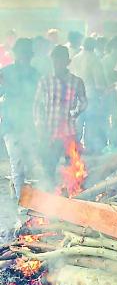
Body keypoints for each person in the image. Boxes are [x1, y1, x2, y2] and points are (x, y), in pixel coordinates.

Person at [33, 45, 87, 185]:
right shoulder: (45, 81)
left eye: (60, 61)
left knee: (72, 167)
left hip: (69, 132)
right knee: (49, 168)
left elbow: (84, 102)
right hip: (49, 132)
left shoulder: (76, 81)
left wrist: (74, 113)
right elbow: (38, 104)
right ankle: (50, 195)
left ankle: (71, 193)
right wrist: (39, 124)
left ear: (67, 62)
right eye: (54, 61)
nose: (57, 65)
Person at [0, 38, 40, 200]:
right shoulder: (5, 72)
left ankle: (21, 193)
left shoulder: (35, 74)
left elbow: (41, 100)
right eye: (22, 53)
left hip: (30, 124)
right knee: (17, 163)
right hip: (11, 124)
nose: (24, 57)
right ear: (16, 54)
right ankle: (20, 200)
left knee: (28, 163)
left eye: (27, 54)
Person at [70, 37, 108, 153]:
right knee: (91, 125)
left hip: (76, 97)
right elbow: (99, 83)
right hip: (90, 97)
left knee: (77, 125)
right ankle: (89, 151)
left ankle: (72, 151)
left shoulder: (75, 58)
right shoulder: (95, 60)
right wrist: (104, 93)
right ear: (94, 46)